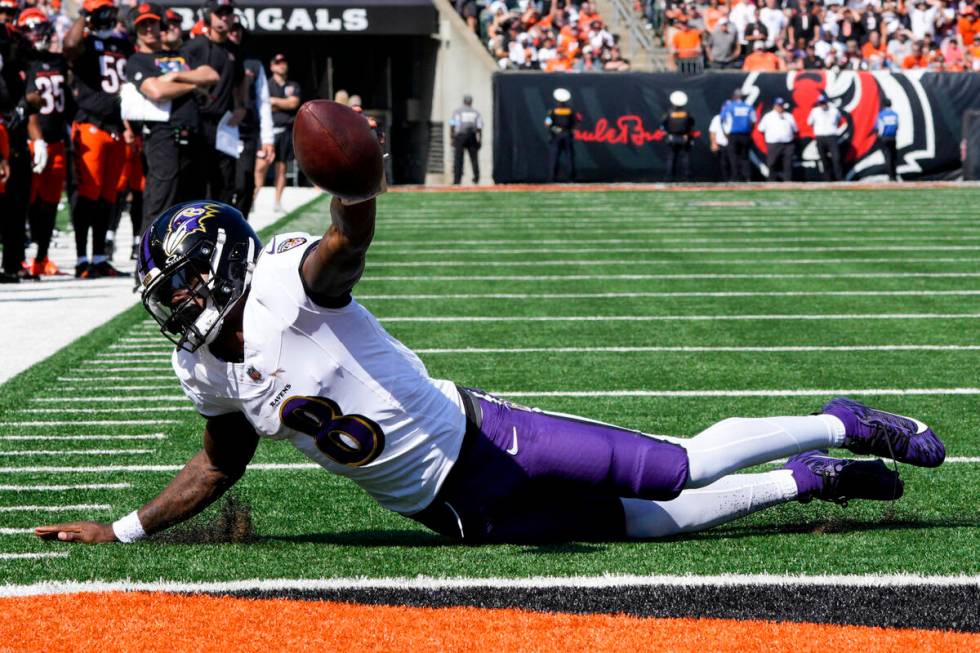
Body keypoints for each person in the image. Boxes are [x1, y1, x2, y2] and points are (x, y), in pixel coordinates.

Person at [33, 188, 945, 545]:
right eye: (171, 294)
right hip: (449, 508)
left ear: (228, 264)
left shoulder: (287, 283)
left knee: (681, 462)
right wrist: (123, 530)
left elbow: (345, 249)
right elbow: (220, 462)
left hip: (487, 436)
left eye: (186, 287)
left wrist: (354, 189)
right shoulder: (207, 374)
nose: (179, 307)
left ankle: (844, 419)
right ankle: (807, 478)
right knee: (654, 524)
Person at [125, 2, 217, 238]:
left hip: (194, 134)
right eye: (143, 25)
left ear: (160, 25)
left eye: (152, 23)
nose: (148, 29)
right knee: (160, 202)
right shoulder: (137, 60)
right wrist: (193, 85)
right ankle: (148, 268)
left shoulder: (180, 54)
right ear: (136, 29)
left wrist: (176, 75)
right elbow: (156, 91)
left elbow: (210, 74)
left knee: (193, 208)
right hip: (163, 136)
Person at [63, 0, 132, 278]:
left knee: (108, 197)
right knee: (87, 195)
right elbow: (69, 45)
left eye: (109, 9)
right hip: (90, 124)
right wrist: (85, 14)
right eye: (102, 10)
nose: (108, 15)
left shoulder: (123, 43)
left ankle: (100, 258)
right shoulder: (85, 41)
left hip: (116, 126)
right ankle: (82, 259)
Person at [179, 0, 245, 204]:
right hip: (197, 123)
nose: (224, 17)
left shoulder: (234, 50)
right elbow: (177, 75)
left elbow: (240, 80)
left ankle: (219, 230)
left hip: (224, 125)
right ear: (209, 16)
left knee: (226, 184)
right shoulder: (194, 46)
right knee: (196, 181)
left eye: (228, 13)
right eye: (219, 13)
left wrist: (242, 106)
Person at [21, 7, 68, 276]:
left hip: (57, 139)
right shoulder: (22, 61)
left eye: (39, 27)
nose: (35, 33)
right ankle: (21, 255)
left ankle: (42, 256)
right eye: (30, 28)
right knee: (27, 203)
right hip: (30, 141)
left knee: (50, 203)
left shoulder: (59, 60)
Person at [228, 19, 273, 220]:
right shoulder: (214, 57)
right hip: (221, 128)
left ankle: (240, 222)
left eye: (238, 29)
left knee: (245, 182)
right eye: (231, 29)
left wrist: (268, 138)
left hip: (246, 131)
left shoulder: (253, 64)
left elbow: (263, 101)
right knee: (225, 182)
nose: (235, 33)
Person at [267, 53, 300, 214]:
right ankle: (252, 198)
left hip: (285, 130)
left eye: (283, 62)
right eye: (278, 62)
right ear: (272, 66)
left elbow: (293, 103)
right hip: (269, 130)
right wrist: (282, 104)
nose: (282, 65)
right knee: (260, 167)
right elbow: (263, 104)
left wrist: (273, 101)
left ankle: (277, 202)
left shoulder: (292, 85)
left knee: (282, 167)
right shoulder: (266, 84)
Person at [807, 94, 845, 181]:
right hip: (820, 137)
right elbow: (809, 123)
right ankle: (827, 179)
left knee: (836, 158)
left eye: (824, 103)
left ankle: (839, 178)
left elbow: (839, 121)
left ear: (827, 102)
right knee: (823, 159)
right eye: (820, 103)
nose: (822, 105)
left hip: (832, 136)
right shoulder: (815, 111)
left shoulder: (834, 111)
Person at [757, 97, 797, 182]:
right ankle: (772, 181)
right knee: (772, 163)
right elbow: (760, 129)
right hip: (773, 144)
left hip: (788, 144)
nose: (780, 107)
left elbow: (795, 129)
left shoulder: (788, 116)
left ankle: (788, 181)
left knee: (788, 163)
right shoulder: (768, 116)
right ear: (774, 106)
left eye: (781, 105)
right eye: (778, 105)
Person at [660, 90, 695, 182]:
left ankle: (669, 177)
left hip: (672, 137)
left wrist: (667, 133)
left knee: (671, 158)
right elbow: (691, 124)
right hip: (684, 137)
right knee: (685, 158)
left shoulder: (669, 112)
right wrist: (687, 134)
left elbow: (663, 124)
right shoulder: (686, 113)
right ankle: (687, 178)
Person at [721, 89, 755, 182]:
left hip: (734, 135)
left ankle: (735, 177)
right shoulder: (748, 107)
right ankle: (747, 177)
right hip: (745, 135)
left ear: (734, 96)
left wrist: (726, 133)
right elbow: (753, 120)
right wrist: (749, 131)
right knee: (745, 156)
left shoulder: (730, 107)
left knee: (733, 157)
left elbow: (723, 119)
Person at [545, 87, 577, 182]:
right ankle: (570, 179)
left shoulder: (553, 110)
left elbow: (547, 123)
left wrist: (554, 129)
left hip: (556, 135)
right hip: (567, 134)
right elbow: (575, 123)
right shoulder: (570, 110)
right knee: (569, 156)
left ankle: (552, 178)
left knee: (554, 157)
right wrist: (570, 131)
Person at [449, 94, 483, 185]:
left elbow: (452, 125)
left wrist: (452, 137)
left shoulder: (457, 111)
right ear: (471, 102)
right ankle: (476, 177)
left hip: (460, 136)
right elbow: (479, 128)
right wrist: (480, 140)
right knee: (474, 158)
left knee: (458, 159)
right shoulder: (476, 112)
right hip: (472, 136)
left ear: (463, 101)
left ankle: (457, 180)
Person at [876, 98, 899, 181]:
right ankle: (894, 175)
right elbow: (896, 126)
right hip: (893, 137)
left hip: (885, 137)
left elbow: (880, 127)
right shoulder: (894, 114)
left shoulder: (881, 114)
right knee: (893, 156)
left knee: (887, 156)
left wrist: (880, 135)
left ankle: (890, 175)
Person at [707, 110, 730, 181]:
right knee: (723, 163)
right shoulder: (717, 118)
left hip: (733, 144)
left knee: (734, 163)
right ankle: (725, 180)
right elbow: (712, 131)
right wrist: (713, 143)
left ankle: (736, 179)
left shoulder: (734, 117)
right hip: (721, 144)